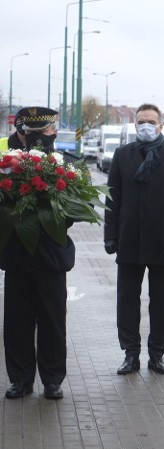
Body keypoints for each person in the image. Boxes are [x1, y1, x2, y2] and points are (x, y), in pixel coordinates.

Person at [104, 103, 164, 376]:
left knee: (161, 301)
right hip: (130, 240)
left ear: (161, 125)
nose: (146, 125)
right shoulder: (122, 155)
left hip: (163, 242)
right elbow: (112, 199)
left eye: (151, 121)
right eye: (141, 121)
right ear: (134, 125)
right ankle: (131, 354)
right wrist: (111, 236)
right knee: (128, 300)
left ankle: (157, 355)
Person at [1, 107, 69, 400]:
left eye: (45, 132)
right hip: (17, 256)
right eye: (31, 133)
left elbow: (71, 214)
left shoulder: (65, 165)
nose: (39, 138)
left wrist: (49, 209)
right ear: (22, 132)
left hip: (51, 257)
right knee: (17, 322)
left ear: (53, 132)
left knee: (53, 321)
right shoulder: (7, 165)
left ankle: (52, 380)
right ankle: (20, 379)